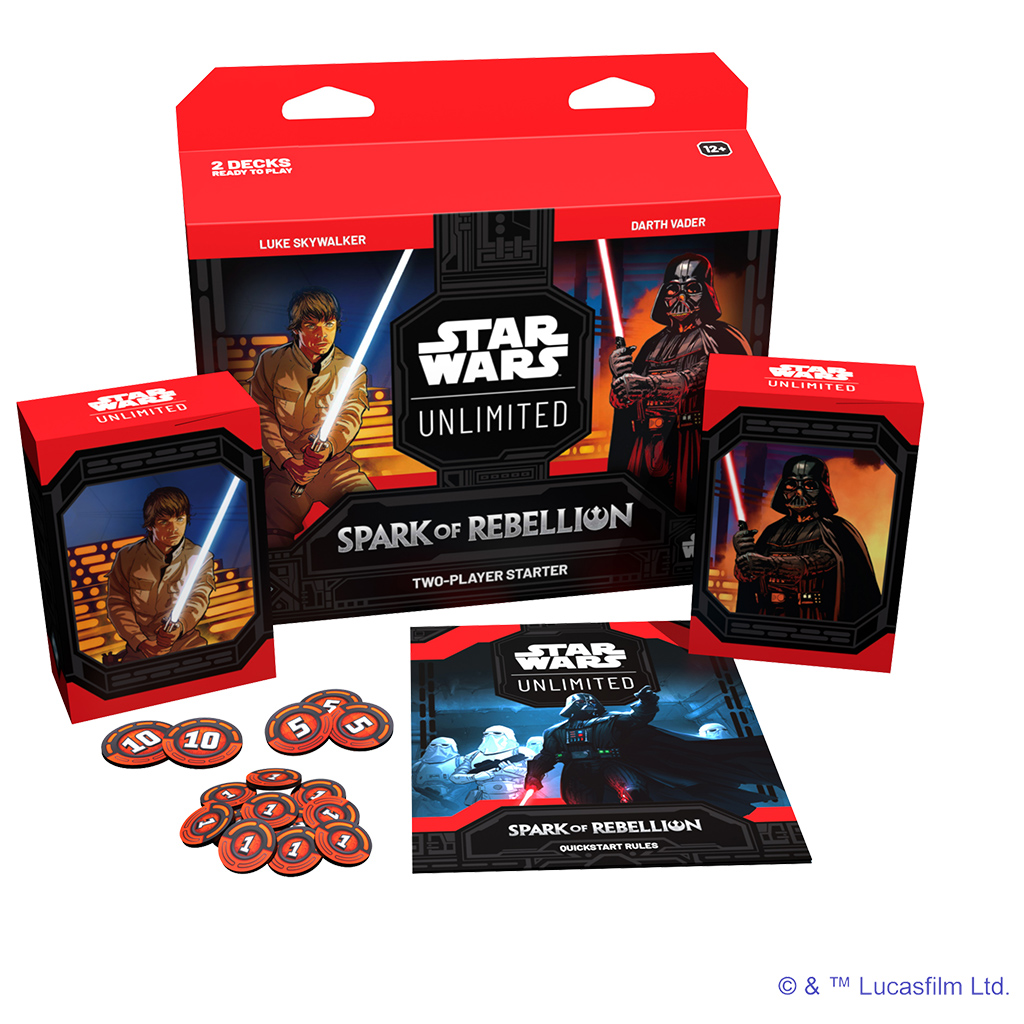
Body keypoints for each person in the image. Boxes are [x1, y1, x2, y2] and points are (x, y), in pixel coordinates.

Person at [608, 254, 750, 513]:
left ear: (707, 293)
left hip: (690, 442)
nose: (681, 298)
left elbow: (702, 376)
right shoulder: (652, 344)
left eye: (692, 289)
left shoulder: (722, 338)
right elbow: (623, 404)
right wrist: (619, 379)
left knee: (685, 514)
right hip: (644, 445)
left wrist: (648, 385)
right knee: (636, 515)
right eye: (673, 290)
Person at [249, 288, 374, 548]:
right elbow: (262, 416)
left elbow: (350, 416)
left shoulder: (351, 369)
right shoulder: (270, 362)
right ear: (296, 329)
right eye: (311, 325)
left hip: (335, 467)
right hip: (285, 471)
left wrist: (329, 448)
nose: (322, 334)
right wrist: (286, 461)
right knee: (270, 539)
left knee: (375, 520)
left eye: (329, 324)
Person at [733, 454, 881, 621]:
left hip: (812, 616)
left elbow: (820, 561)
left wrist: (768, 564)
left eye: (809, 485)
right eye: (791, 484)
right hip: (768, 615)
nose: (799, 492)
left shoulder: (835, 530)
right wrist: (743, 557)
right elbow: (749, 577)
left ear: (823, 490)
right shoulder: (772, 531)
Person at [106, 487, 215, 660]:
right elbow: (118, 604)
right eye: (164, 522)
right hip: (139, 650)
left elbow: (198, 599)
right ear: (150, 525)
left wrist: (180, 626)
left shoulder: (200, 557)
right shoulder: (127, 557)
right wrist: (140, 642)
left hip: (186, 644)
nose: (174, 528)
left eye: (180, 519)